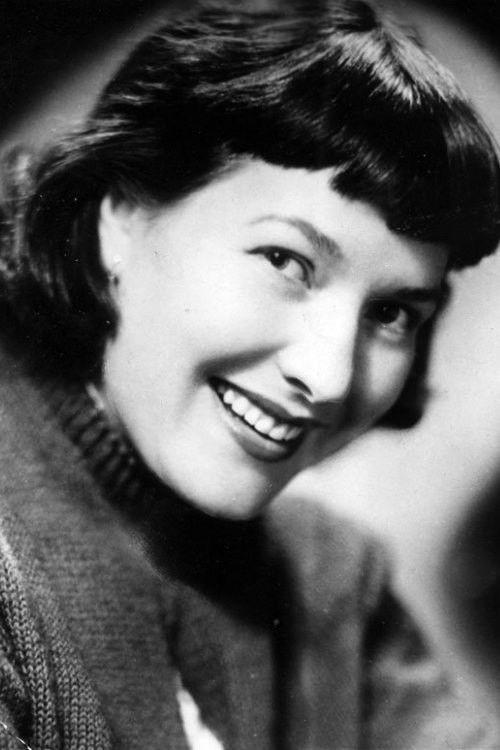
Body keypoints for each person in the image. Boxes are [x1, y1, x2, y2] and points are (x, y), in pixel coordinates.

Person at [0, 1, 499, 748]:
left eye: (392, 313)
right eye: (286, 262)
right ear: (120, 216)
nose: (330, 376)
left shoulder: (333, 580)